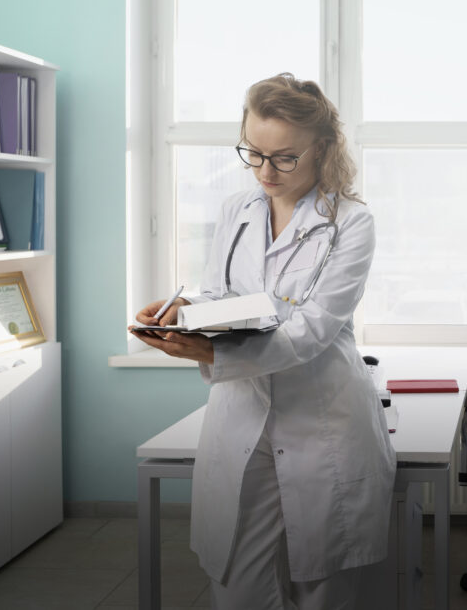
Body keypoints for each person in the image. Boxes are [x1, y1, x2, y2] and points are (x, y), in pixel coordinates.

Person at [131, 74, 395, 610]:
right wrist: (187, 313)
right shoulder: (236, 209)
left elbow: (315, 326)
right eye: (254, 153)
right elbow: (224, 294)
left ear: (322, 148)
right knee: (237, 582)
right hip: (241, 415)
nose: (265, 172)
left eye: (284, 157)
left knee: (322, 587)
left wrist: (216, 351)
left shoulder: (351, 223)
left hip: (320, 419)